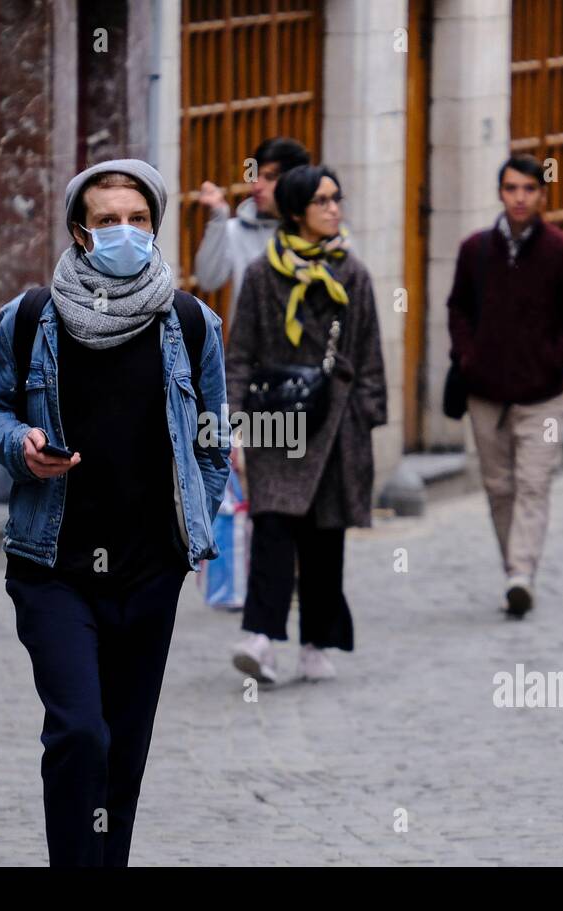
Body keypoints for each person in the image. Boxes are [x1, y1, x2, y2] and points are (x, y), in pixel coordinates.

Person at [0, 159, 230, 866]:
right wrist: (20, 445)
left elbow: (212, 437)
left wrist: (195, 535)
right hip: (52, 565)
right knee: (80, 731)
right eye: (108, 220)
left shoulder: (190, 323)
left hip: (149, 572)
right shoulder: (29, 319)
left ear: (155, 226)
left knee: (123, 747)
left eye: (138, 219)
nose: (125, 232)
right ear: (80, 233)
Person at [224, 165, 387, 683]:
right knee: (271, 525)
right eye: (323, 201)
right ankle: (262, 640)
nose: (334, 209)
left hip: (335, 424)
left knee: (324, 537)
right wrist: (230, 422)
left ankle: (317, 642)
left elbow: (368, 354)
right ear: (296, 212)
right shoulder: (259, 274)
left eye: (337, 199)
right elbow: (241, 352)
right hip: (277, 421)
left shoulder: (353, 274)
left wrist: (365, 415)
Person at [446, 154, 563, 619]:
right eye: (512, 188)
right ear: (500, 192)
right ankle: (515, 566)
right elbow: (458, 309)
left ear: (542, 195)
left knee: (534, 483)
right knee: (499, 487)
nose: (520, 198)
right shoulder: (475, 250)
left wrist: (552, 361)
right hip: (486, 394)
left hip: (543, 398)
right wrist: (469, 356)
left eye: (529, 189)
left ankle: (520, 573)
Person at [192, 137, 311, 306]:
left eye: (269, 177)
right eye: (255, 175)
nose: (256, 186)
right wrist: (218, 217)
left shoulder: (316, 229)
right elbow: (207, 280)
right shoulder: (236, 231)